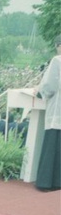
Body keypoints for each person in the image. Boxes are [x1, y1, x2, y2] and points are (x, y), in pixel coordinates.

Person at [35, 35, 61, 191]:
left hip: (57, 108)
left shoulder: (57, 61)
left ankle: (46, 182)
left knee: (52, 146)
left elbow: (49, 85)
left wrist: (40, 93)